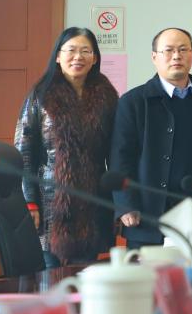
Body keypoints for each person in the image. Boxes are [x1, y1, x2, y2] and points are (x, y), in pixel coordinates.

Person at [14, 27, 118, 268]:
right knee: (50, 274)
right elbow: (23, 153)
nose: (78, 57)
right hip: (50, 202)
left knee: (88, 274)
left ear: (95, 58)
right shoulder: (40, 95)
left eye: (85, 51)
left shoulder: (108, 97)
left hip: (94, 200)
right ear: (58, 56)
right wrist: (29, 202)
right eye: (71, 50)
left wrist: (119, 203)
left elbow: (116, 153)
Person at [111, 28, 192, 247]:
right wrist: (126, 204)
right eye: (168, 50)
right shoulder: (133, 102)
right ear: (154, 57)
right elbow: (121, 158)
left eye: (183, 50)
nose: (176, 56)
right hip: (147, 215)